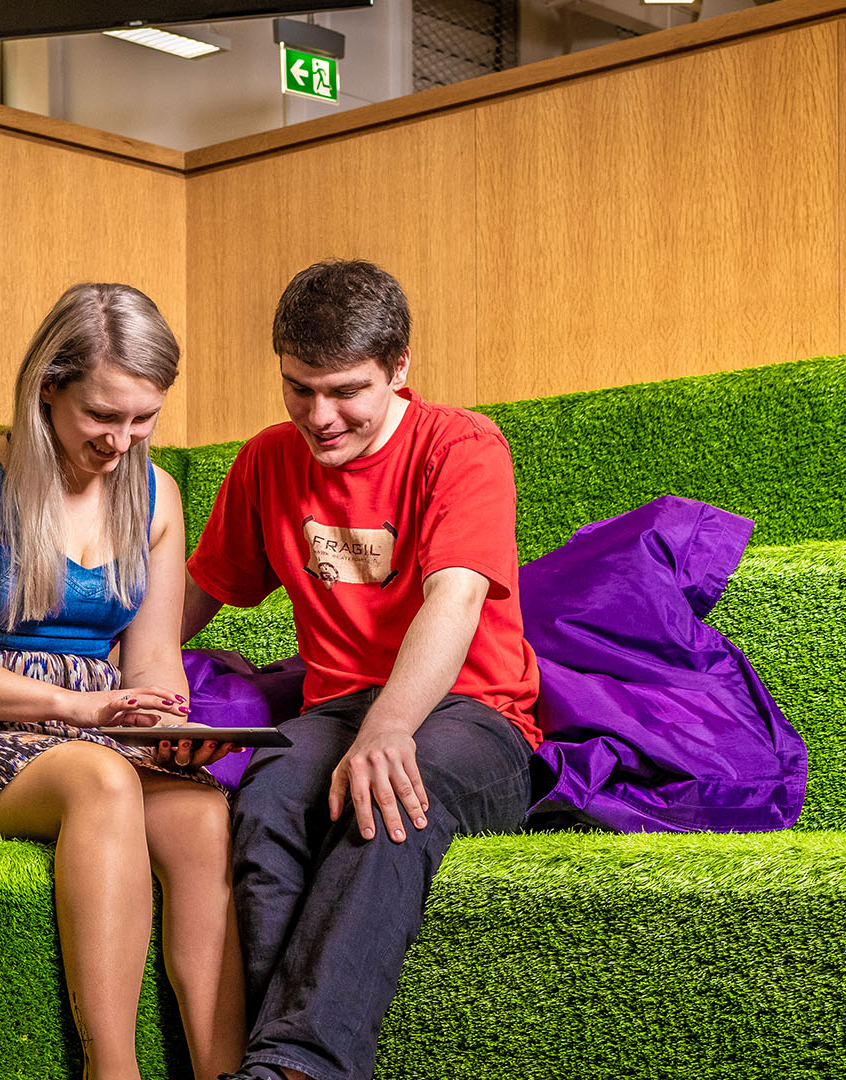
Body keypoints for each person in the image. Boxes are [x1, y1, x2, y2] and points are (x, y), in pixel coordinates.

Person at [0, 282, 244, 1080]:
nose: (123, 439)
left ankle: (226, 1071)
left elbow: (150, 662)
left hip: (94, 726)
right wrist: (79, 708)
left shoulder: (155, 495)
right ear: (49, 387)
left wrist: (165, 728)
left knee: (201, 814)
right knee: (103, 782)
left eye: (143, 418)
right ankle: (111, 1072)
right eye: (102, 416)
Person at [182, 260, 541, 1080]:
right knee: (269, 790)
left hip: (475, 714)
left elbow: (452, 601)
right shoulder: (269, 461)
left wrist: (387, 731)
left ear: (400, 367)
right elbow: (199, 593)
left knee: (387, 793)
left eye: (346, 391)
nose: (321, 416)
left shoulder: (462, 445)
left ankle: (300, 1066)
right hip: (338, 708)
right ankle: (271, 1065)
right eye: (299, 389)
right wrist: (113, 686)